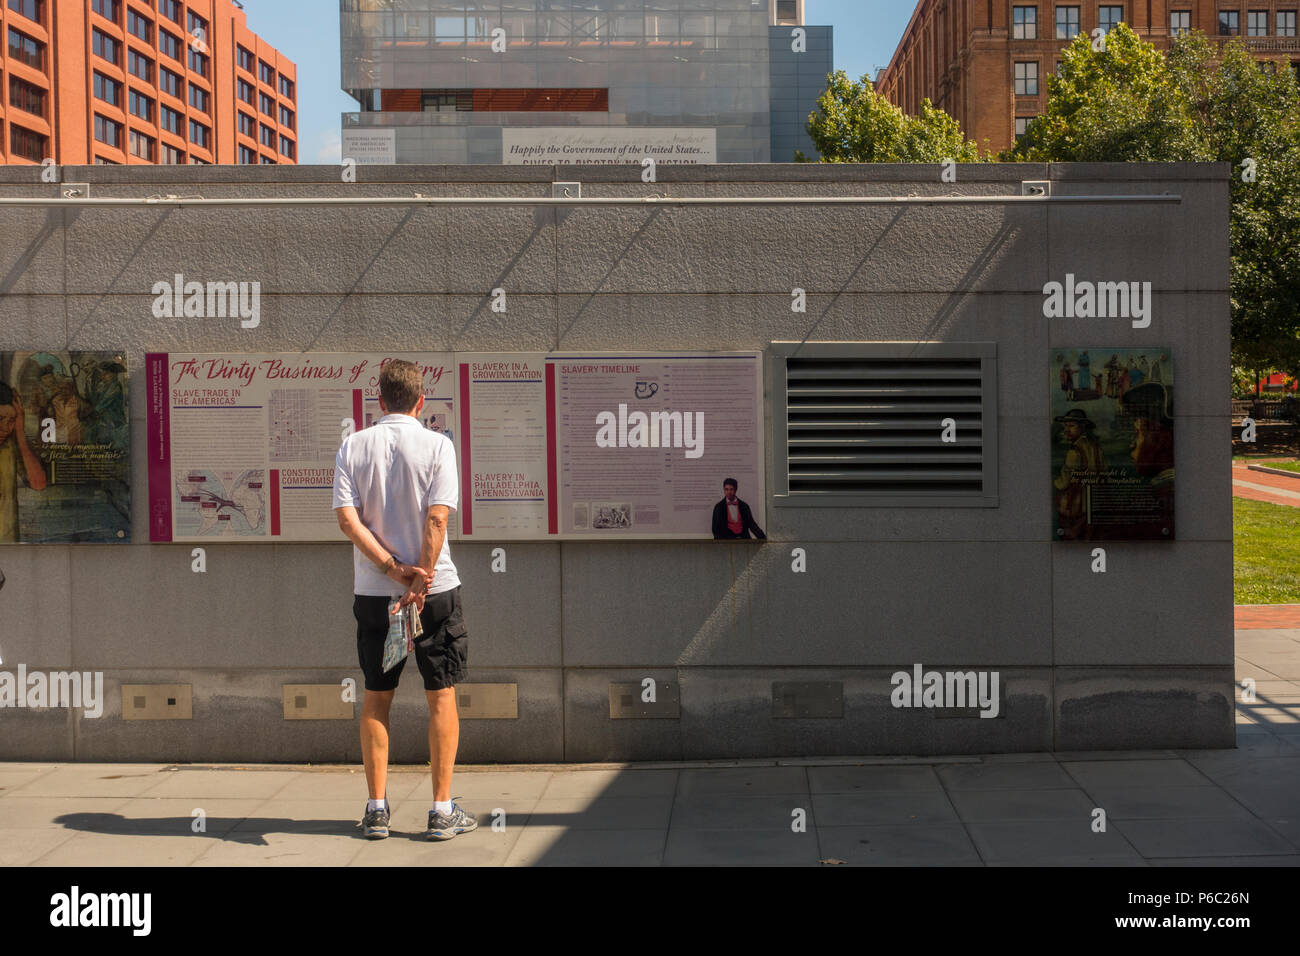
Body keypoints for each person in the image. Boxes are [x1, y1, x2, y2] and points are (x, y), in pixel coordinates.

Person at [332, 360, 477, 843]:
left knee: (377, 696)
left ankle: (376, 810)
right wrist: (419, 580)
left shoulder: (352, 446)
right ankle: (440, 811)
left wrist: (393, 572)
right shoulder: (438, 445)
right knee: (441, 695)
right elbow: (437, 521)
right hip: (434, 594)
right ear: (421, 402)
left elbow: (349, 522)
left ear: (379, 401)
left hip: (376, 595)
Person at [0, 382, 48, 543]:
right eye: (0, 418)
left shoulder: (10, 445)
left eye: (12, 420)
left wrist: (20, 433)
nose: (6, 428)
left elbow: (38, 483)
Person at [1053, 409, 1106, 541]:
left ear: (1082, 427)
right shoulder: (1096, 447)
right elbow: (1104, 473)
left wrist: (1056, 483)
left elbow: (1064, 482)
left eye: (1071, 426)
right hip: (1094, 505)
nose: (1067, 430)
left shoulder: (1074, 451)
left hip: (1074, 507)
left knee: (1072, 542)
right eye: (1065, 426)